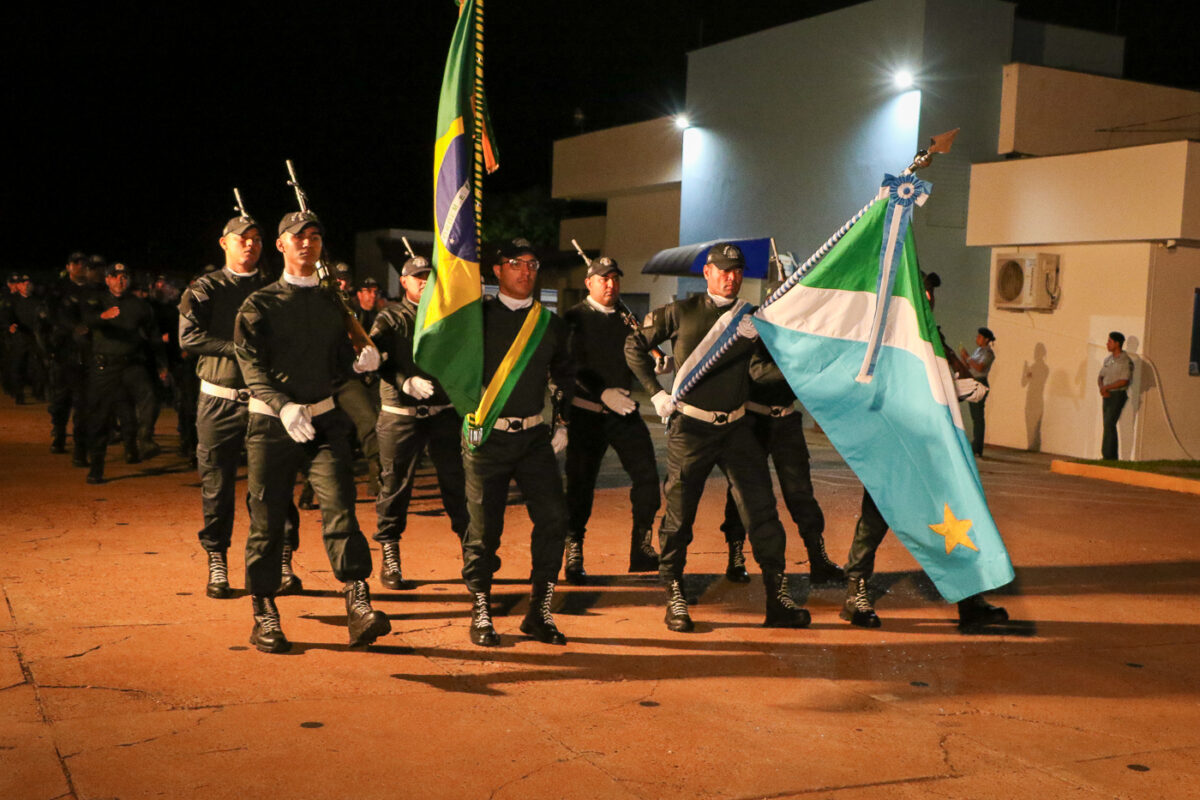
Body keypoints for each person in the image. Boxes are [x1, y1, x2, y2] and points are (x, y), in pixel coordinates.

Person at [625, 242, 810, 632]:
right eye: (724, 270)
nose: (731, 277)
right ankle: (674, 592)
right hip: (691, 428)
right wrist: (655, 393)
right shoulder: (681, 311)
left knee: (762, 513)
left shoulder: (752, 318)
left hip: (738, 428)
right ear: (707, 272)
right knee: (679, 515)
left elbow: (759, 374)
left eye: (738, 271)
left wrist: (805, 371)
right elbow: (634, 346)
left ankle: (777, 598)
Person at [234, 210, 389, 653]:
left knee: (341, 507)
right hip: (271, 423)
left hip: (323, 419)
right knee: (267, 520)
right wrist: (283, 407)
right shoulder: (259, 305)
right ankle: (264, 611)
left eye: (315, 237)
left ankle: (358, 604)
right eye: (297, 237)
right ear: (280, 245)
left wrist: (358, 365)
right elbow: (251, 367)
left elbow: (338, 363)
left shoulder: (330, 303)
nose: (307, 243)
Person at [841, 274, 1007, 631]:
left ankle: (968, 596)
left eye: (931, 292)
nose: (929, 297)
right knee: (876, 518)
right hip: (895, 442)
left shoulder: (932, 333)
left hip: (933, 446)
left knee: (957, 519)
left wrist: (958, 388)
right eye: (922, 290)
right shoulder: (884, 335)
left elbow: (940, 375)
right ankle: (855, 591)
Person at [179, 210, 302, 599]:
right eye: (241, 237)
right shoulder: (206, 288)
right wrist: (240, 350)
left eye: (256, 239)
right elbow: (189, 337)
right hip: (219, 399)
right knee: (217, 485)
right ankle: (217, 559)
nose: (250, 244)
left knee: (273, 486)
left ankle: (282, 560)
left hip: (264, 402)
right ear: (224, 242)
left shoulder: (274, 287)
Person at [460, 240, 574, 647]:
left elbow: (562, 377)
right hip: (485, 436)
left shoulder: (550, 324)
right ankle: (482, 611)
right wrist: (466, 415)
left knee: (554, 520)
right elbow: (452, 368)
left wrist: (563, 422)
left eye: (531, 264)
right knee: (484, 530)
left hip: (533, 437)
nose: (525, 271)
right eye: (515, 264)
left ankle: (538, 613)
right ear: (497, 270)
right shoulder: (475, 317)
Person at [369, 256, 469, 588]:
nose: (424, 281)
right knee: (395, 486)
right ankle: (390, 553)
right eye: (417, 277)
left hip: (442, 414)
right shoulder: (390, 317)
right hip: (401, 415)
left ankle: (471, 549)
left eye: (429, 276)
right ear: (404, 282)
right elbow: (377, 359)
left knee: (457, 484)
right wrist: (403, 381)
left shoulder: (446, 315)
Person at [561, 255, 660, 584]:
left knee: (647, 477)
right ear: (589, 283)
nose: (610, 284)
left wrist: (656, 363)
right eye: (603, 278)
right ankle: (573, 549)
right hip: (587, 414)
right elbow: (568, 366)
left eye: (615, 278)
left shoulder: (626, 316)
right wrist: (601, 392)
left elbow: (639, 352)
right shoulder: (573, 318)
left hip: (624, 411)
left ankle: (641, 547)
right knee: (580, 486)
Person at [718, 345, 843, 585]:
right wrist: (804, 369)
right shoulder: (756, 327)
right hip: (753, 421)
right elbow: (758, 372)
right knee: (743, 491)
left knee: (801, 493)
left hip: (787, 421)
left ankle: (818, 559)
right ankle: (735, 557)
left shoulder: (798, 332)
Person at [81, 263, 167, 484]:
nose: (120, 280)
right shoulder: (96, 300)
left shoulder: (139, 305)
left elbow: (154, 335)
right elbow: (85, 321)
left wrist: (162, 365)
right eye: (115, 276)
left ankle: (144, 438)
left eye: (124, 277)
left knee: (149, 396)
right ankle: (97, 466)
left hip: (131, 364)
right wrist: (102, 316)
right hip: (105, 366)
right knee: (100, 415)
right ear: (107, 279)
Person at [43, 252, 96, 463]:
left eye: (84, 263)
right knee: (61, 398)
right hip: (64, 352)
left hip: (87, 353)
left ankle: (80, 449)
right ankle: (59, 434)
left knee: (82, 402)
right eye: (76, 263)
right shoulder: (58, 290)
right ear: (68, 266)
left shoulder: (94, 290)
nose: (81, 266)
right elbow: (50, 319)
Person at [1, 273, 47, 405]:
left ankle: (39, 392)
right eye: (23, 284)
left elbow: (46, 317)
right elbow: (6, 315)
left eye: (29, 284)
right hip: (20, 337)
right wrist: (10, 325)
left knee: (39, 366)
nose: (26, 286)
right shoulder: (12, 300)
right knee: (18, 366)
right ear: (19, 286)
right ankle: (19, 394)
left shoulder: (39, 301)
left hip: (35, 337)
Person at [959, 327, 995, 457]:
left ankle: (977, 447)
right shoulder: (978, 351)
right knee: (975, 416)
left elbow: (980, 367)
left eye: (979, 337)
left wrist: (968, 358)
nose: (977, 339)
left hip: (980, 382)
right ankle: (975, 445)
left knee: (978, 417)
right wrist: (964, 358)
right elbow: (970, 366)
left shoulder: (988, 353)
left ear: (986, 339)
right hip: (973, 382)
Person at [1097, 331, 1133, 460]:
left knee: (1110, 423)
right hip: (1107, 395)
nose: (1107, 344)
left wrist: (1107, 387)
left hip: (1117, 395)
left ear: (1117, 344)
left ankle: (1110, 456)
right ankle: (1107, 455)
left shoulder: (1125, 361)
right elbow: (1101, 376)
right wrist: (1102, 388)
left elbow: (1124, 380)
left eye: (1110, 341)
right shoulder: (1108, 360)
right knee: (1107, 424)